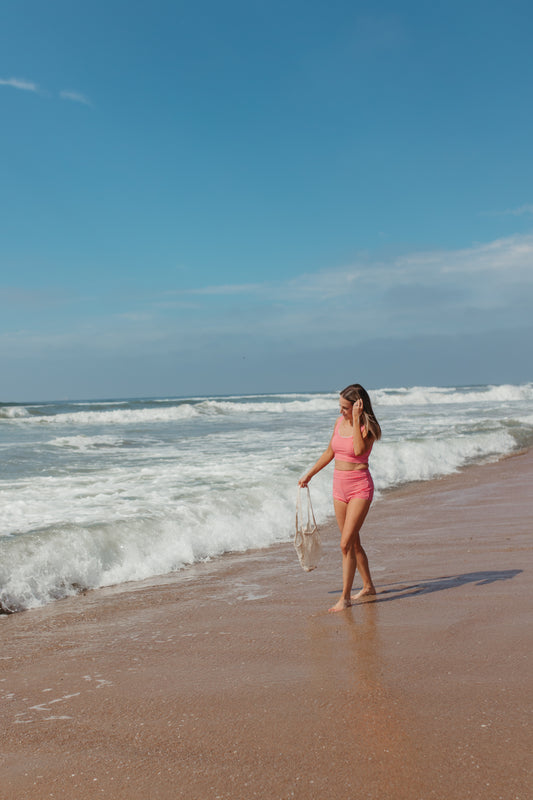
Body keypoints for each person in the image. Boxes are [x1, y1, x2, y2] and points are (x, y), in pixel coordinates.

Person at [299, 384, 381, 612]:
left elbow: (357, 450)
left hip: (360, 488)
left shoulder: (368, 427)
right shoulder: (338, 423)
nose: (341, 412)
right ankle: (368, 586)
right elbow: (330, 452)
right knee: (353, 543)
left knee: (345, 544)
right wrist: (310, 474)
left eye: (345, 408)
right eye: (340, 408)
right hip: (339, 487)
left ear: (358, 406)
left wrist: (355, 419)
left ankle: (344, 598)